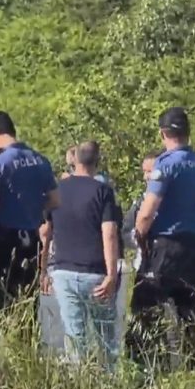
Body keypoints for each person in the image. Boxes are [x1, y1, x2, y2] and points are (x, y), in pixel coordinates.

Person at [129, 107, 195, 370]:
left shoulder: (166, 165)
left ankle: (149, 369)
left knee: (146, 307)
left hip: (167, 246)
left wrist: (140, 237)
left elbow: (147, 212)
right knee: (191, 312)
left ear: (163, 133)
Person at [40, 141, 122, 370]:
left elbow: (46, 232)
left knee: (75, 337)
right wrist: (111, 274)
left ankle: (78, 383)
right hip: (94, 273)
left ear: (74, 159)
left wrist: (43, 270)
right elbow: (109, 233)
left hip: (63, 272)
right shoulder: (102, 191)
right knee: (106, 338)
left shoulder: (56, 189)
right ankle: (108, 382)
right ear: (97, 161)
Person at [0, 111, 59, 312]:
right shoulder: (40, 160)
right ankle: (28, 330)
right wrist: (32, 206)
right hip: (32, 237)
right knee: (29, 293)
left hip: (4, 239)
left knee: (3, 293)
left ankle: (7, 329)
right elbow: (55, 200)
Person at [122, 151, 161, 272]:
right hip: (144, 265)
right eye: (144, 172)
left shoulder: (175, 202)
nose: (145, 177)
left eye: (149, 172)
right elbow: (125, 231)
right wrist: (140, 241)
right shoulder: (140, 202)